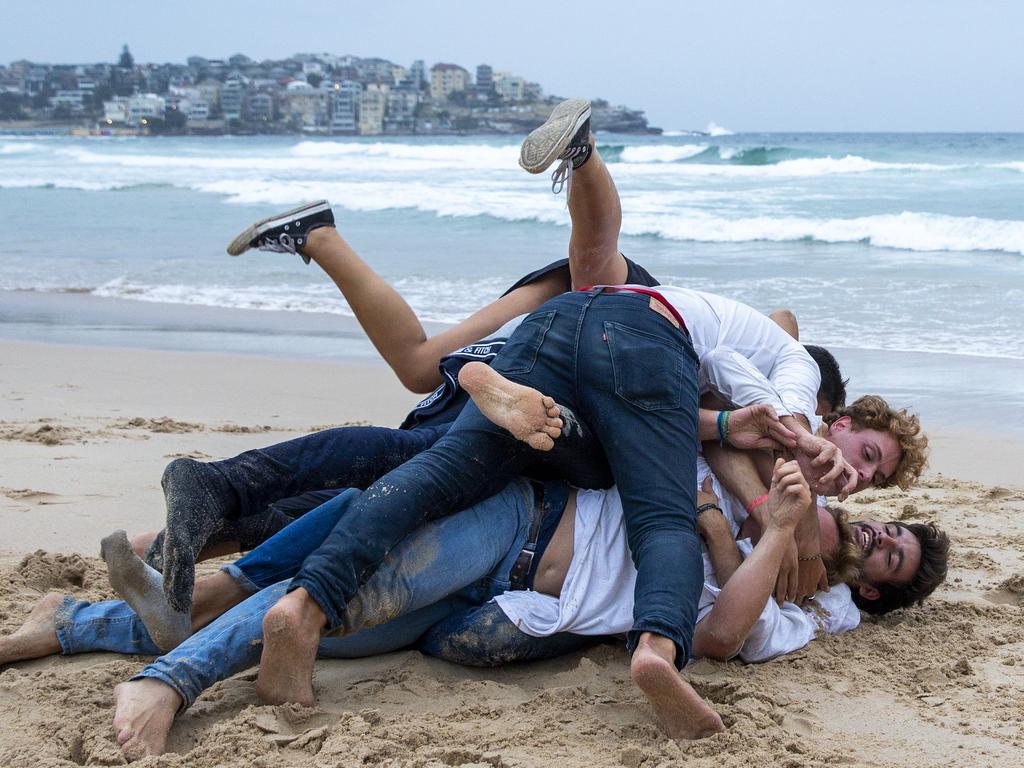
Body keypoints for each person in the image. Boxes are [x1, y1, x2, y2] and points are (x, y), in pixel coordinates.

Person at [0, 457, 948, 760]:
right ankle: (167, 677)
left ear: (869, 591)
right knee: (327, 600)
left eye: (887, 552)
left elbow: (718, 634)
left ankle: (70, 623)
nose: (871, 534)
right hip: (515, 523)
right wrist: (752, 515)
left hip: (496, 619)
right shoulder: (742, 491)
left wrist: (781, 536)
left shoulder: (808, 615)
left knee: (325, 615)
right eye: (880, 524)